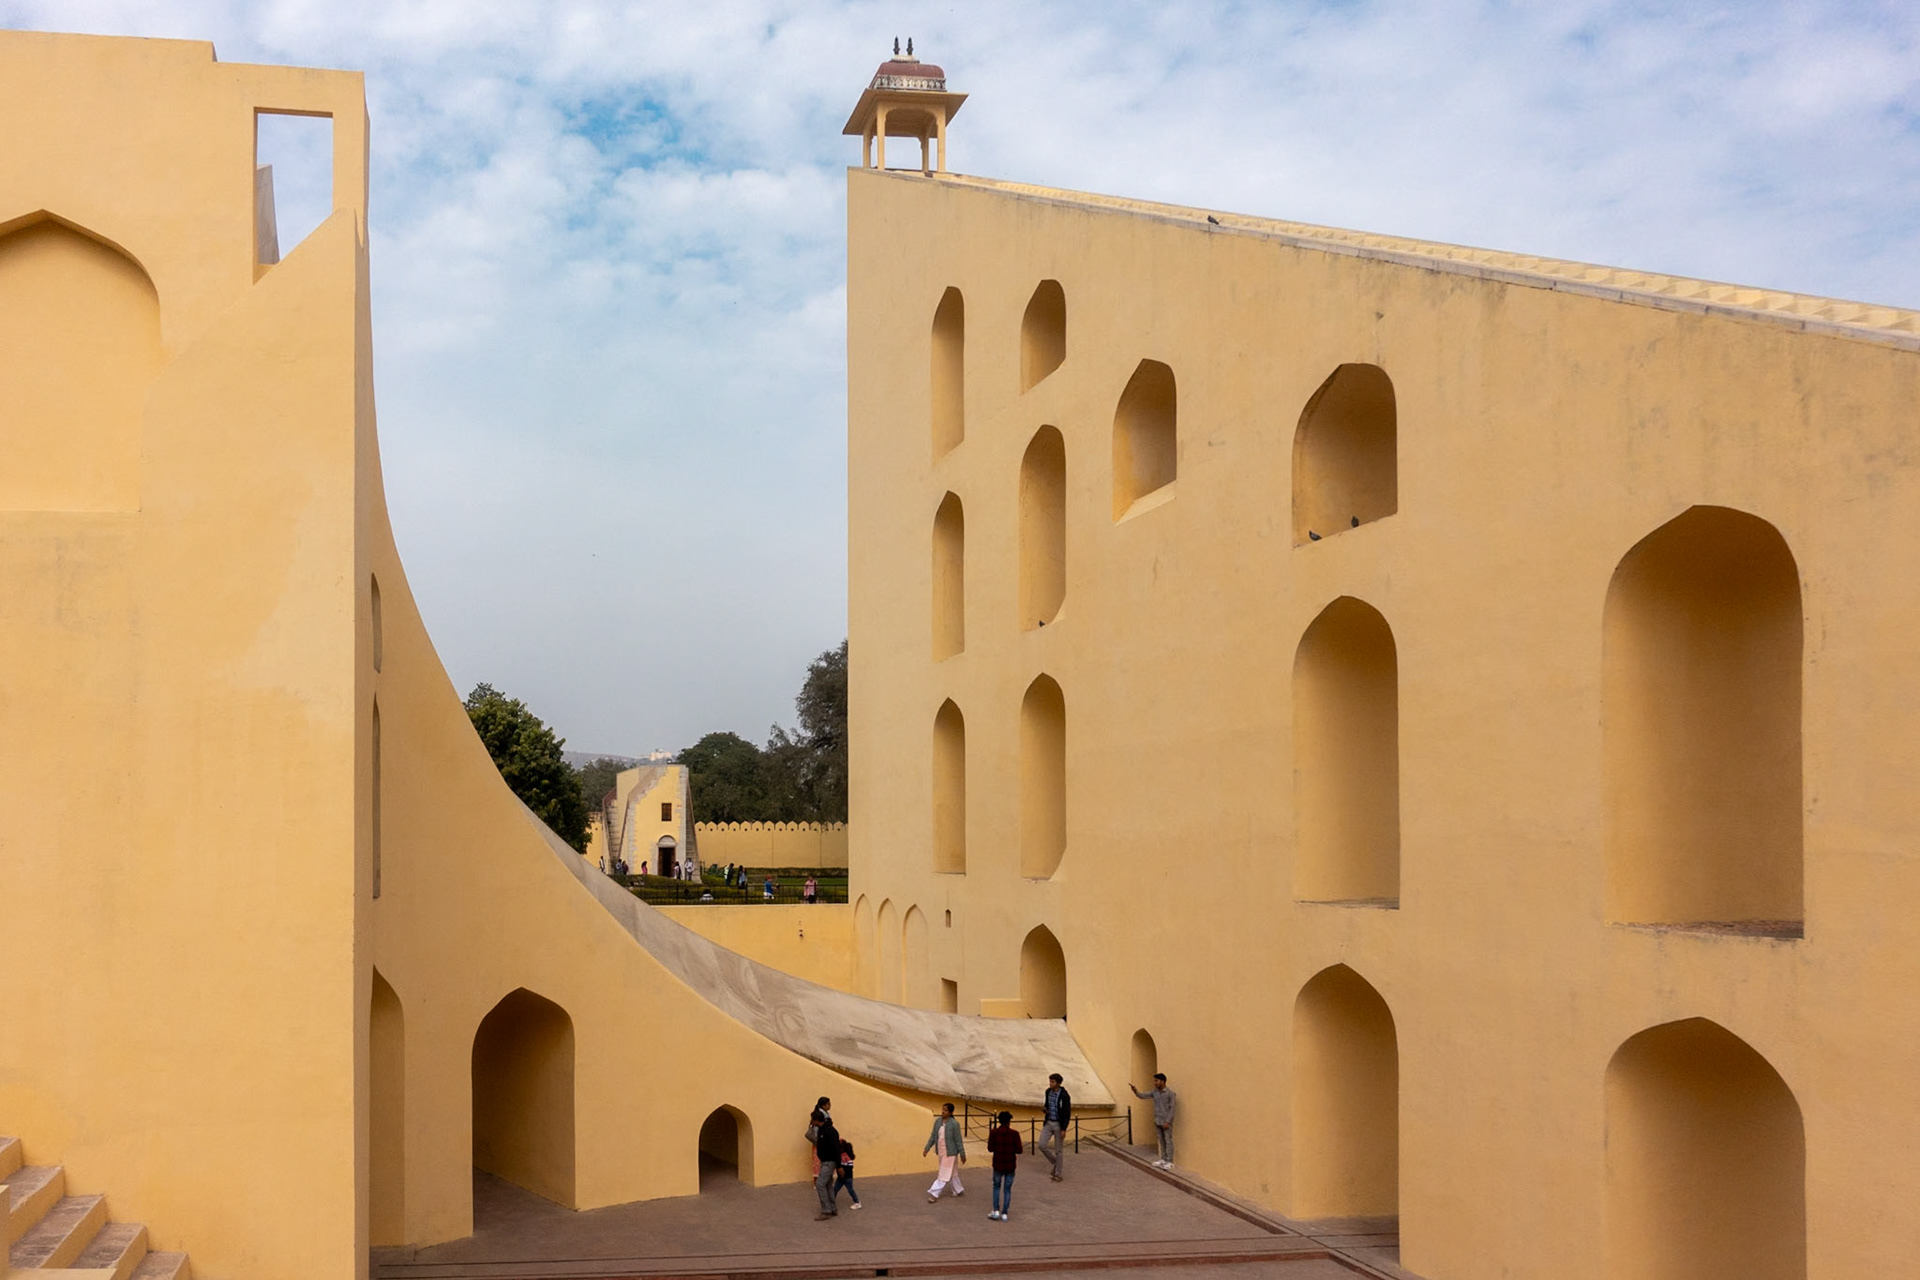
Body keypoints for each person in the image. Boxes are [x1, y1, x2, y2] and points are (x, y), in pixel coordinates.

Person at [1130, 1073, 1178, 1168]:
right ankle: (1163, 1159)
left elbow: (1172, 1108)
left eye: (1156, 1081)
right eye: (1154, 1081)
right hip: (1157, 1120)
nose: (1155, 1083)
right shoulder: (1154, 1092)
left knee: (1168, 1141)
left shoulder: (1170, 1093)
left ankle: (1170, 1161)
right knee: (1161, 1141)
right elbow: (1143, 1096)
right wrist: (1135, 1091)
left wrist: (1168, 1121)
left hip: (1166, 1122)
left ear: (1162, 1081)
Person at [923, 1102, 966, 1200]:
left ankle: (934, 1194)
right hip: (941, 1151)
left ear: (950, 1113)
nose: (943, 1112)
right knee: (953, 1172)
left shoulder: (954, 1124)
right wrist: (927, 1148)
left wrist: (962, 1154)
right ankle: (957, 1189)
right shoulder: (938, 1122)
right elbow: (933, 1136)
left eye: (945, 1110)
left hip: (950, 1153)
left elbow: (958, 1140)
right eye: (942, 1109)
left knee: (943, 1173)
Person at [986, 1110, 1022, 1221]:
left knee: (996, 1186)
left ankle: (996, 1210)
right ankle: (1005, 1213)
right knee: (1007, 1189)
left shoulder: (994, 1133)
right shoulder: (1014, 1134)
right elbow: (1019, 1150)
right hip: (1010, 1164)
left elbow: (990, 1148)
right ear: (1009, 1122)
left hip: (998, 1163)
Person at [1039, 1072, 1072, 1181]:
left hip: (1059, 1124)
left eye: (1052, 1082)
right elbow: (1047, 1104)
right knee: (1041, 1145)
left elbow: (1067, 1113)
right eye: (1050, 1081)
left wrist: (1064, 1128)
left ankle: (1057, 1173)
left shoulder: (1064, 1096)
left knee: (1058, 1150)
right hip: (1048, 1122)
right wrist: (1045, 1109)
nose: (1050, 1084)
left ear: (1058, 1083)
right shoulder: (1048, 1092)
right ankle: (1055, 1162)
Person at [811, 1099, 841, 1219]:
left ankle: (826, 1210)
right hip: (825, 1161)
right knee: (828, 1185)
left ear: (818, 1120)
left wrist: (839, 1166)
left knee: (820, 1184)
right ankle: (832, 1208)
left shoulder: (830, 1132)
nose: (812, 1122)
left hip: (829, 1162)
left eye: (813, 1120)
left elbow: (836, 1149)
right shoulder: (823, 1130)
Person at [833, 1137, 863, 1209]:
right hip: (841, 1177)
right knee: (835, 1189)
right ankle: (831, 1201)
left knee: (850, 1190)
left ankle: (857, 1202)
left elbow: (849, 1168)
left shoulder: (846, 1156)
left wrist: (843, 1174)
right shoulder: (841, 1155)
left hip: (847, 1177)